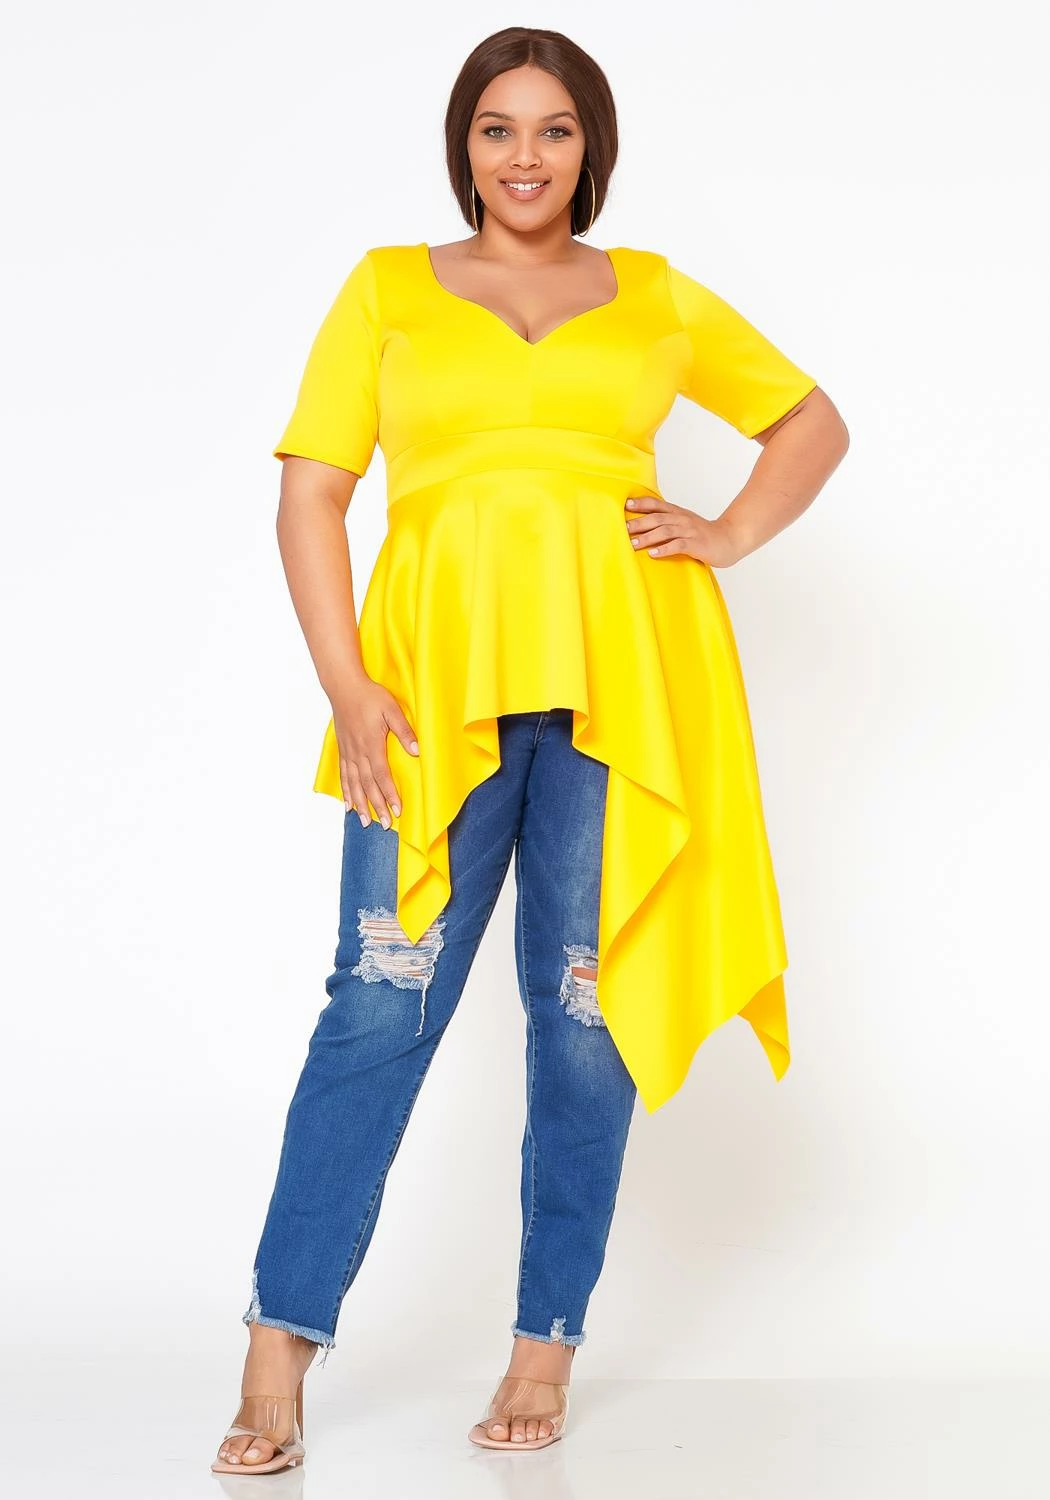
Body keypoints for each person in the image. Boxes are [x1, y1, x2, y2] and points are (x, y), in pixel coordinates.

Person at [211, 24, 850, 1474]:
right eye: (497, 128)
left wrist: (728, 532)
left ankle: (542, 1349)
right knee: (379, 1001)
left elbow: (809, 420)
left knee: (580, 1011)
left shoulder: (654, 294)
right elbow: (312, 494)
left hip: (627, 687)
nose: (524, 156)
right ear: (464, 144)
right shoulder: (387, 288)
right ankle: (276, 1347)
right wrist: (346, 686)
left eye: (554, 130)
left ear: (589, 147)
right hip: (427, 693)